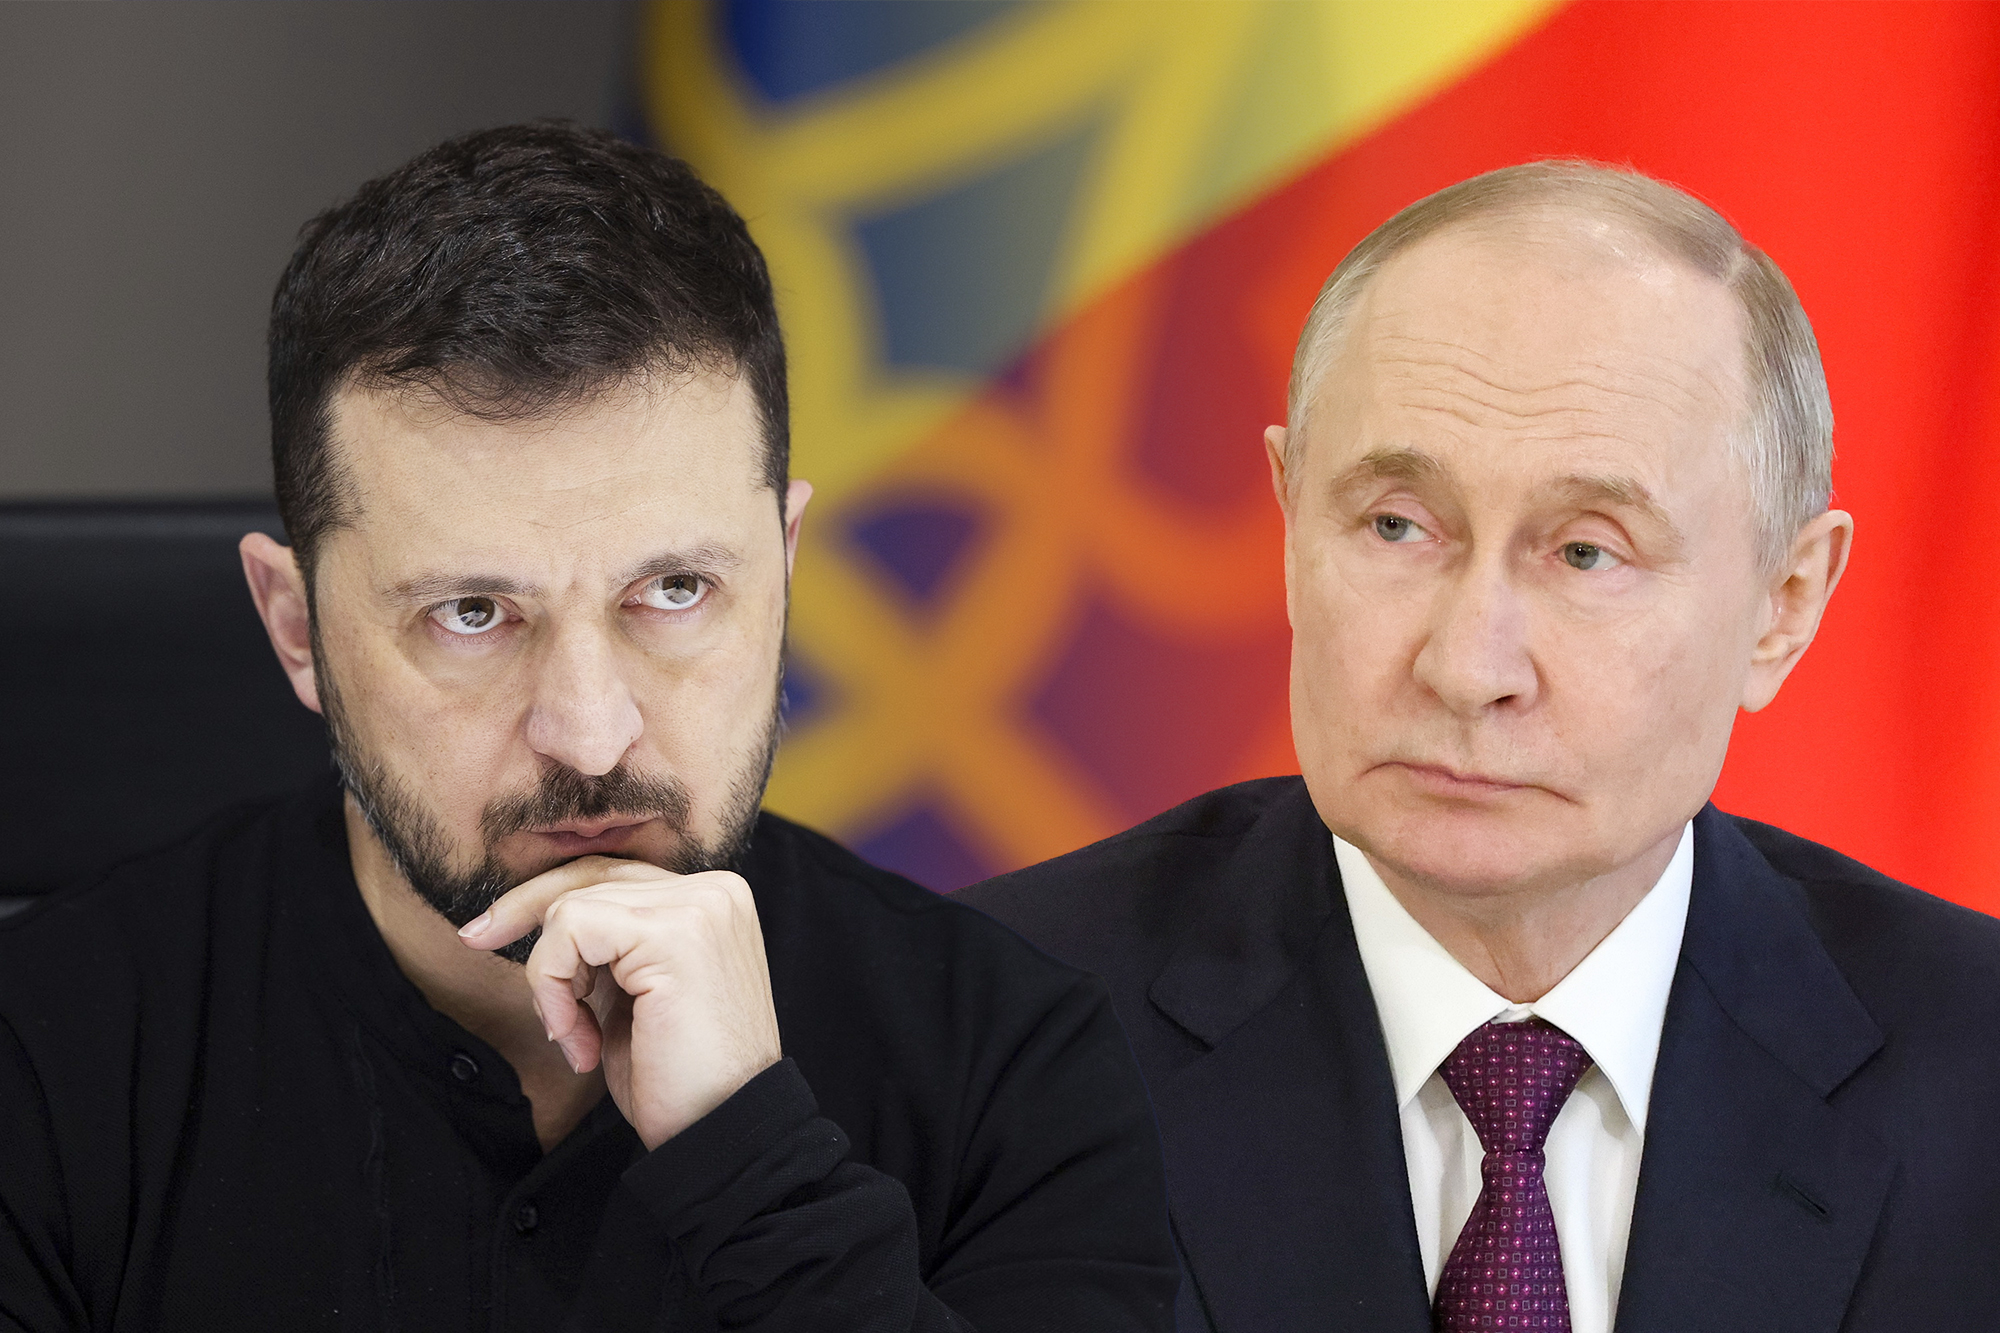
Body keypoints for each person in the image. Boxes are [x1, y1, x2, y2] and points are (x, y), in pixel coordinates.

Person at [0, 122, 1176, 1333]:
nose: (590, 735)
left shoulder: (1008, 1061)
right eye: (471, 613)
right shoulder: (39, 1058)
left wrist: (754, 1161)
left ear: (783, 566)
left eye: (675, 590)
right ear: (295, 626)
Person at [958, 161, 2000, 1333]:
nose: (1465, 667)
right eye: (1395, 525)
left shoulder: (1979, 1073)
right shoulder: (968, 1039)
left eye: (1585, 552)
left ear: (1784, 603)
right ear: (1289, 519)